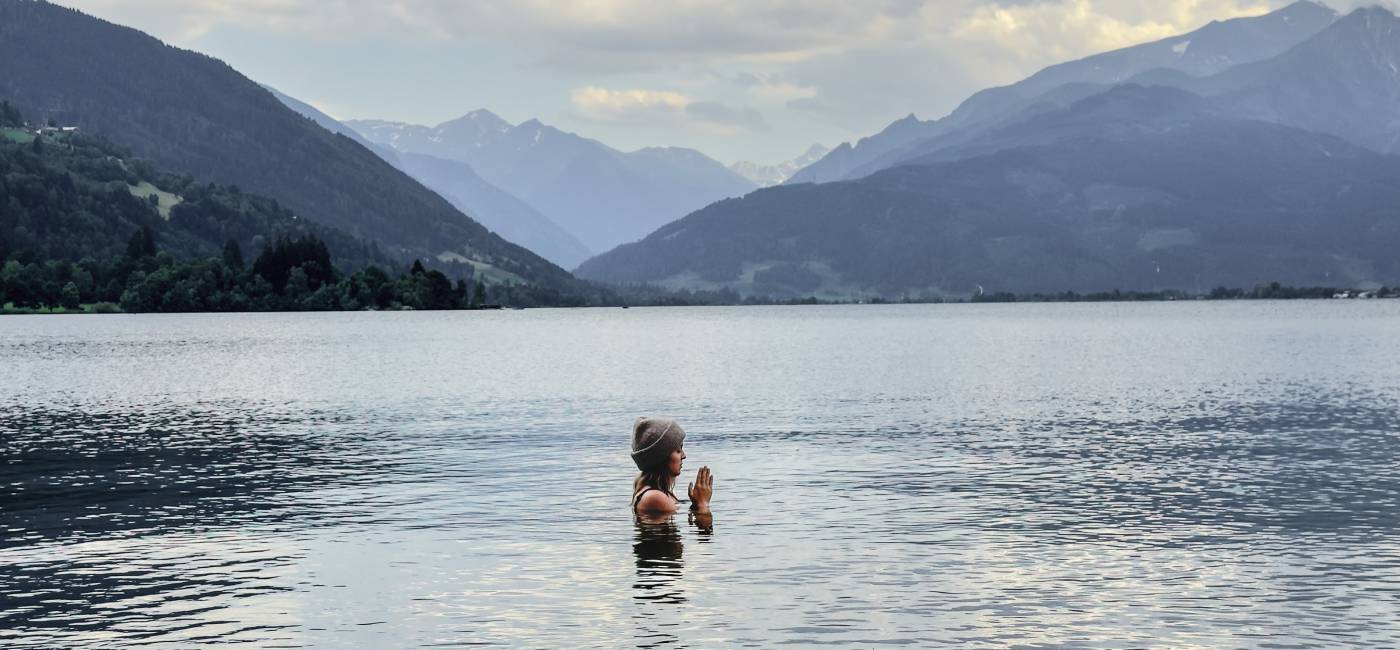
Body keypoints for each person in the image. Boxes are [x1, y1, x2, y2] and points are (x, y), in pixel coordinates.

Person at [630, 417, 713, 516]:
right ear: (662, 457)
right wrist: (703, 504)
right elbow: (704, 528)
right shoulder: (656, 498)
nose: (684, 456)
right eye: (678, 451)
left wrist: (695, 505)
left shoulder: (656, 493)